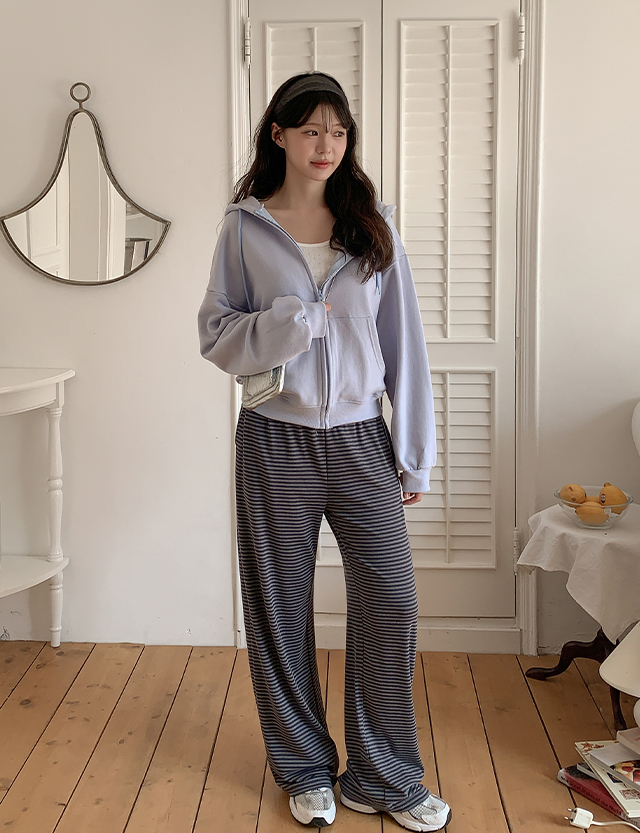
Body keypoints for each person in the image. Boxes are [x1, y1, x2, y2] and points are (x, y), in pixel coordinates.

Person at [198, 71, 451, 832]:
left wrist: (412, 451)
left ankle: (382, 775)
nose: (326, 145)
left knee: (392, 599)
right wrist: (288, 324)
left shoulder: (371, 224)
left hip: (361, 437)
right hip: (273, 435)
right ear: (279, 135)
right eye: (311, 130)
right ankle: (305, 768)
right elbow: (215, 333)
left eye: (338, 132)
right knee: (279, 606)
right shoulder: (245, 228)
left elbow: (404, 343)